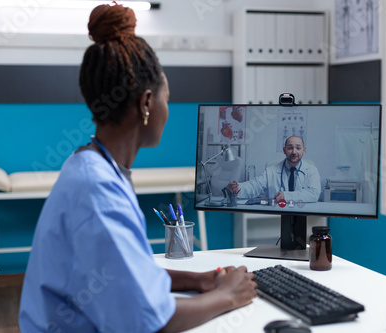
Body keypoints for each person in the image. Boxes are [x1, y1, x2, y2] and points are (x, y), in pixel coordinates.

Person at [18, 3, 257, 333]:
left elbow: (124, 275)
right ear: (146, 103)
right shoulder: (98, 193)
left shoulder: (89, 164)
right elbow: (147, 323)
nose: (167, 110)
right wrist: (228, 296)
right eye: (166, 98)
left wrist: (199, 280)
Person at [227, 136, 321, 203]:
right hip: (277, 215)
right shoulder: (271, 171)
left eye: (298, 148)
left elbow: (314, 194)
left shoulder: (312, 170)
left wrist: (286, 196)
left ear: (303, 151)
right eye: (290, 148)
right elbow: (254, 186)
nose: (294, 152)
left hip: (303, 213)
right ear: (284, 150)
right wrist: (238, 188)